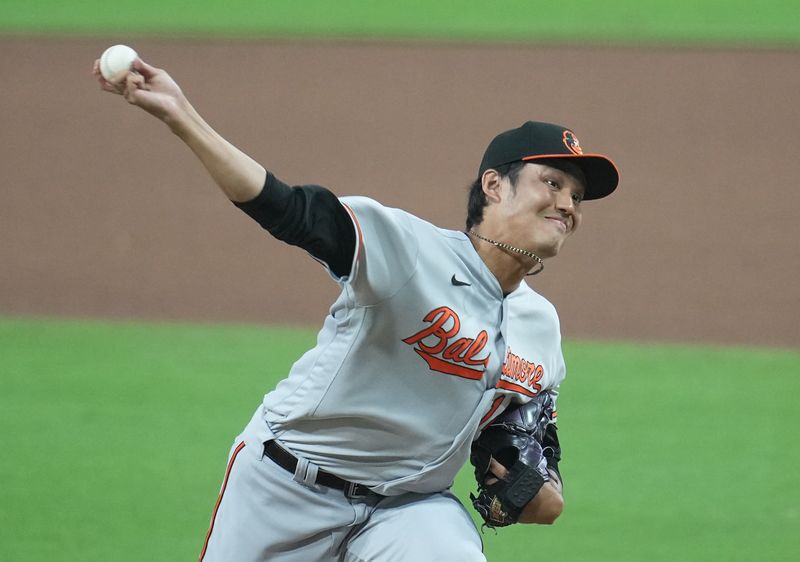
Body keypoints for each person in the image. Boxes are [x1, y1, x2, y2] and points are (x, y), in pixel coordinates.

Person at [94, 56, 618, 562]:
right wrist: (182, 117)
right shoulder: (409, 251)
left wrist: (533, 483)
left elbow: (529, 451)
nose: (568, 206)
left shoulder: (540, 325)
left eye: (576, 196)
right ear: (494, 185)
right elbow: (287, 208)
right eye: (551, 183)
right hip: (286, 485)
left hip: (410, 510)